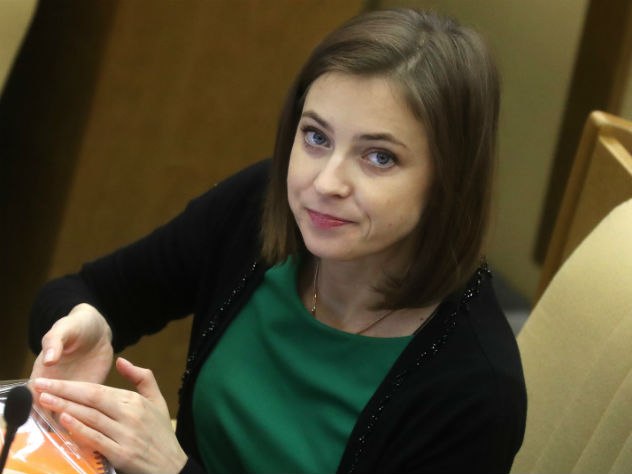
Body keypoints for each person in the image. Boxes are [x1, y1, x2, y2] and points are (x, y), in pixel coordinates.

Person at [27, 8, 526, 474]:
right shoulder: (256, 208)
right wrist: (84, 322)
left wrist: (173, 468)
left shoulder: (478, 390)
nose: (326, 183)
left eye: (379, 157)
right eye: (316, 137)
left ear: (448, 181)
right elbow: (85, 290)